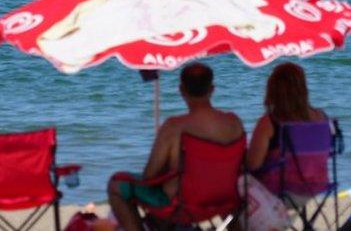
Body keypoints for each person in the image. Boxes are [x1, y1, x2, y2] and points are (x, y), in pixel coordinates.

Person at [107, 63, 244, 231]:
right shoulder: (234, 122)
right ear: (212, 89)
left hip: (182, 207)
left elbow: (149, 176)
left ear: (181, 91)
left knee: (116, 185)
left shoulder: (174, 127)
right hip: (224, 202)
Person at [247, 62, 328, 194]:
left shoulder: (270, 122)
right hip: (317, 186)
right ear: (303, 88)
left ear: (273, 89)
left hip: (280, 189)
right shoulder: (322, 117)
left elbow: (253, 164)